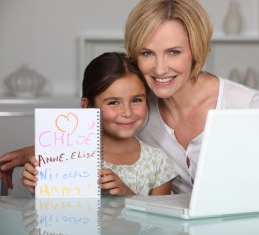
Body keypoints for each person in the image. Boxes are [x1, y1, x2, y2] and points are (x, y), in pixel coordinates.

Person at [0, 0, 259, 194]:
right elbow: (99, 131)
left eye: (174, 52)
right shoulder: (138, 109)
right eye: (148, 53)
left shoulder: (245, 104)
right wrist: (32, 152)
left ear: (196, 51)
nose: (160, 68)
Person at [22, 52, 177, 196]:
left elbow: (162, 224)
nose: (128, 112)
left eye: (136, 100)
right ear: (87, 105)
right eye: (114, 102)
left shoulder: (158, 163)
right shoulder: (64, 159)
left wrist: (126, 194)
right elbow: (57, 215)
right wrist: (40, 189)